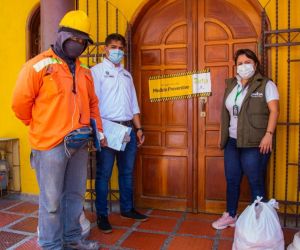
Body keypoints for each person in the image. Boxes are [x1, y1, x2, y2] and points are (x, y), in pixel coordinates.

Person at [12, 10, 106, 249]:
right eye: (74, 38)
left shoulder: (85, 72)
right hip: (50, 146)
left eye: (83, 41)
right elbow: (20, 105)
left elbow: (93, 104)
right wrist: (42, 127)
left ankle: (73, 240)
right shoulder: (38, 66)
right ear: (61, 36)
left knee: (75, 197)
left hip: (80, 144)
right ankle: (51, 245)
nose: (78, 44)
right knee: (51, 202)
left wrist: (99, 132)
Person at [212, 49, 279, 230]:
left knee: (255, 181)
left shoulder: (265, 84)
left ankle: (259, 223)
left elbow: (274, 110)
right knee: (232, 179)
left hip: (255, 142)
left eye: (247, 62)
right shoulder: (232, 85)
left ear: (255, 64)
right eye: (240, 63)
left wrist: (269, 134)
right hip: (233, 142)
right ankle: (231, 215)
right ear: (236, 66)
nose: (244, 66)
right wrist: (222, 136)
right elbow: (227, 113)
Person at [91, 33, 147, 234]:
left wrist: (139, 129)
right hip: (107, 129)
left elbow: (133, 104)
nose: (117, 51)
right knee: (104, 174)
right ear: (105, 49)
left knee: (126, 173)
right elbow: (93, 104)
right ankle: (102, 215)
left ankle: (127, 209)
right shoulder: (96, 72)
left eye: (121, 48)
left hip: (128, 130)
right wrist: (99, 132)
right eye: (113, 47)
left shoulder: (127, 74)